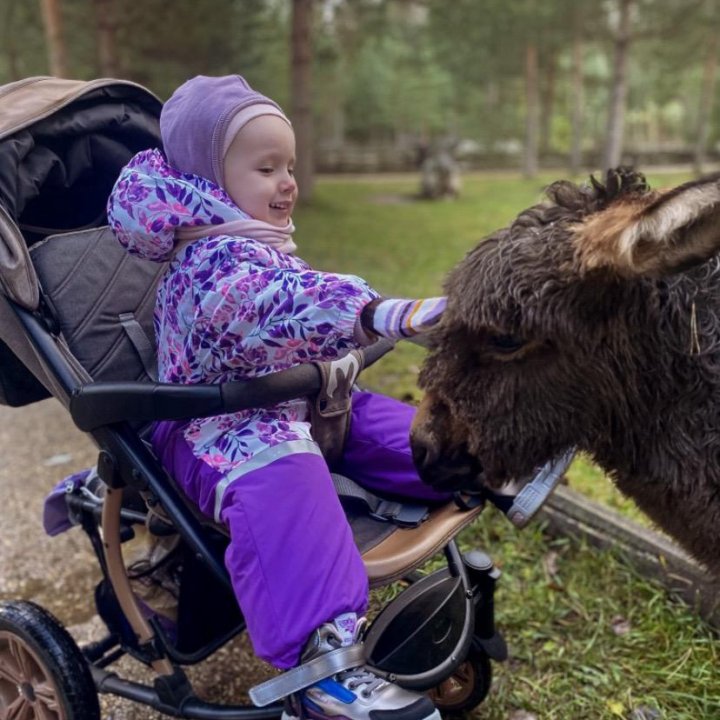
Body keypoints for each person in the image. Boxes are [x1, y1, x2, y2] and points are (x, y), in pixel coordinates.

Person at [107, 74, 447, 720]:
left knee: (399, 429)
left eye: (289, 165)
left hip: (297, 405)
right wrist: (377, 312)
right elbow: (273, 309)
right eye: (267, 167)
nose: (288, 181)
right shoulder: (207, 266)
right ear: (209, 179)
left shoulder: (255, 242)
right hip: (218, 430)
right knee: (283, 481)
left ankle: (484, 458)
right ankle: (321, 671)